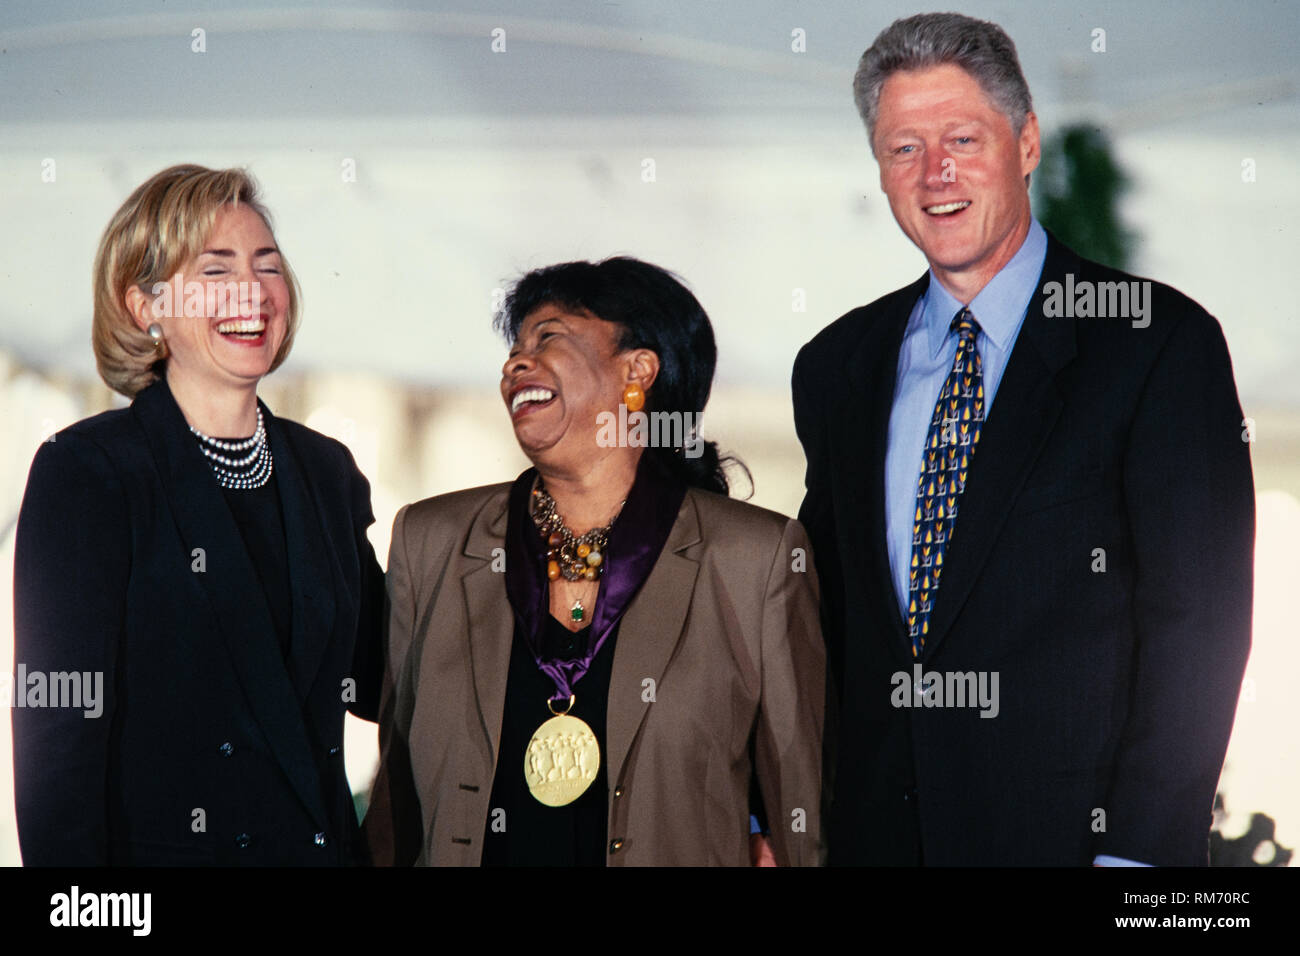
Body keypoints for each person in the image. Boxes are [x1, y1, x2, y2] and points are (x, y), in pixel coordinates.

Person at [793, 13, 1253, 866]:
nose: (936, 173)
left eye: (963, 138)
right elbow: (825, 627)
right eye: (903, 149)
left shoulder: (1154, 343)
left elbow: (1199, 622)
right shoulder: (836, 366)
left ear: (1028, 142)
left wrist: (1139, 860)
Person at [365, 256, 825, 866]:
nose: (515, 363)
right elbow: (394, 808)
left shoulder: (755, 561)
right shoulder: (432, 542)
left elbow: (800, 817)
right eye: (514, 346)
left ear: (638, 370)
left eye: (548, 336)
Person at [12, 164, 384, 865]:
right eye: (216, 271)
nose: (253, 291)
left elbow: (384, 679)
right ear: (143, 307)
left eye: (266, 266)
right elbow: (58, 735)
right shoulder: (91, 473)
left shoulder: (326, 471)